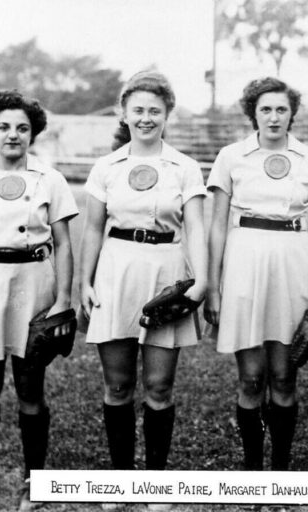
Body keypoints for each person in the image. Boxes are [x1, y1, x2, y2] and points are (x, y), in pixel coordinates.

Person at [79, 72, 207, 481]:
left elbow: (198, 229)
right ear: (124, 113)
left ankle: (155, 481)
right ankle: (120, 481)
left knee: (158, 386)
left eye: (155, 110)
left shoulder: (184, 167)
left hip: (166, 270)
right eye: (138, 110)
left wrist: (202, 280)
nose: (146, 118)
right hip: (116, 271)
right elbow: (94, 228)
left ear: (168, 114)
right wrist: (84, 281)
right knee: (117, 386)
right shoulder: (107, 167)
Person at [0, 90, 78, 510]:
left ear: (33, 133)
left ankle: (34, 480)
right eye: (4, 127)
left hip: (33, 285)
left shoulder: (50, 179)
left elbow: (63, 244)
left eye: (22, 128)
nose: (13, 135)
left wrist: (63, 298)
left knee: (30, 386)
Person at [205, 77, 308, 471]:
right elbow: (216, 226)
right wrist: (212, 286)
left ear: (292, 112)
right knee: (251, 379)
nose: (274, 117)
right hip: (245, 260)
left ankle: (280, 468)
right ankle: (252, 470)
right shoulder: (232, 156)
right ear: (253, 114)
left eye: (281, 109)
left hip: (292, 261)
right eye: (265, 109)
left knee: (284, 375)